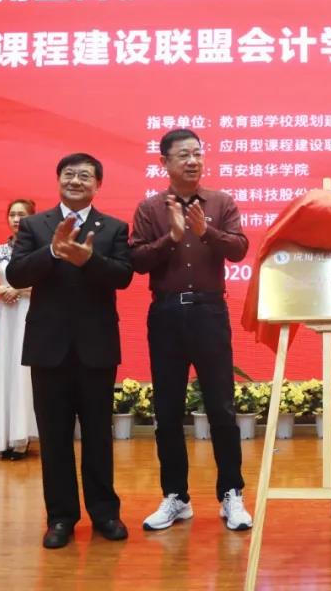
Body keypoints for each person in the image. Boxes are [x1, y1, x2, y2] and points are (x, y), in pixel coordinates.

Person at [6, 152, 133, 549]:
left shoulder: (114, 228)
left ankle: (105, 513)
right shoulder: (34, 225)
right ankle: (60, 518)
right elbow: (15, 273)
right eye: (69, 174)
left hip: (97, 347)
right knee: (54, 437)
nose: (76, 181)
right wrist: (52, 252)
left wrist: (89, 259)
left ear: (98, 185)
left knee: (98, 435)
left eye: (85, 176)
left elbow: (123, 276)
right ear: (59, 179)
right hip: (48, 348)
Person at [129, 129, 253, 533]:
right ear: (163, 162)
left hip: (209, 311)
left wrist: (205, 232)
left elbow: (239, 249)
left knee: (221, 407)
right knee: (167, 410)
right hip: (165, 314)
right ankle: (176, 497)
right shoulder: (150, 208)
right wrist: (172, 237)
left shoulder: (221, 202)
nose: (192, 161)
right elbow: (137, 261)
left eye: (197, 153)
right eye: (183, 154)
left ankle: (231, 493)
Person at [0, 198, 39, 460]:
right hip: (5, 317)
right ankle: (4, 436)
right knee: (4, 371)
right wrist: (4, 290)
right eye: (13, 214)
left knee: (23, 373)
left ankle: (21, 438)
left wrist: (19, 290)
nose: (16, 219)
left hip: (29, 314)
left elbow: (49, 285)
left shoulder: (40, 250)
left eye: (22, 215)